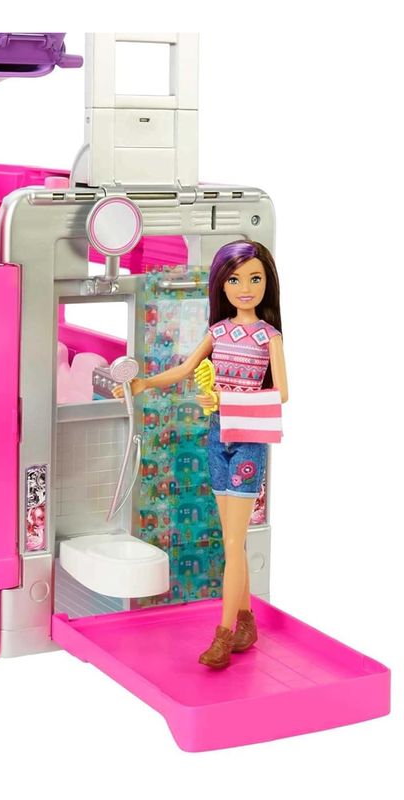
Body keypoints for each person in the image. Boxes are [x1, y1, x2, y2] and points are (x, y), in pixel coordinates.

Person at [114, 240, 288, 669]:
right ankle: (246, 622)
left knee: (231, 543)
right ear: (221, 285)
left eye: (255, 279)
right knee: (233, 542)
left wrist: (227, 399)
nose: (245, 288)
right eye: (235, 280)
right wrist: (144, 384)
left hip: (247, 441)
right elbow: (184, 369)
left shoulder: (269, 337)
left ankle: (224, 635)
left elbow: (281, 393)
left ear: (267, 283)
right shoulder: (219, 332)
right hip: (217, 438)